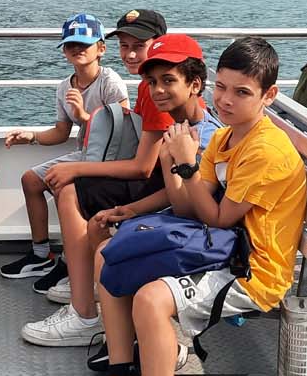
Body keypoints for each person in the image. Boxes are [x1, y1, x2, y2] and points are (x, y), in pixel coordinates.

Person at [91, 37, 305, 376]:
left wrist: (187, 166)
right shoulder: (224, 137)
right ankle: (120, 365)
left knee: (151, 299)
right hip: (220, 245)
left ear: (269, 95)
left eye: (242, 92)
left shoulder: (266, 151)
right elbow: (186, 209)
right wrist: (171, 160)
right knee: (110, 253)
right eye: (221, 87)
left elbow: (218, 218)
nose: (226, 100)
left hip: (252, 270)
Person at [21, 30, 220, 349]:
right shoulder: (179, 125)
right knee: (96, 220)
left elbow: (185, 202)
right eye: (153, 82)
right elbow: (169, 186)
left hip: (192, 226)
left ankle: (91, 315)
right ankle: (105, 314)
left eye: (168, 81)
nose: (157, 90)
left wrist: (172, 167)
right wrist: (131, 209)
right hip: (174, 207)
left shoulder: (200, 137)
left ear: (195, 84)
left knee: (84, 208)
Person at [0, 13, 129, 283]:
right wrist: (31, 136)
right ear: (64, 51)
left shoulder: (110, 82)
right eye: (71, 44)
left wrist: (83, 116)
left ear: (101, 49)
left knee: (63, 186)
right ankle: (41, 255)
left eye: (84, 44)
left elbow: (122, 130)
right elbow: (61, 132)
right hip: (85, 153)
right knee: (31, 180)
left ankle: (71, 261)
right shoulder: (64, 87)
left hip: (110, 157)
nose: (77, 49)